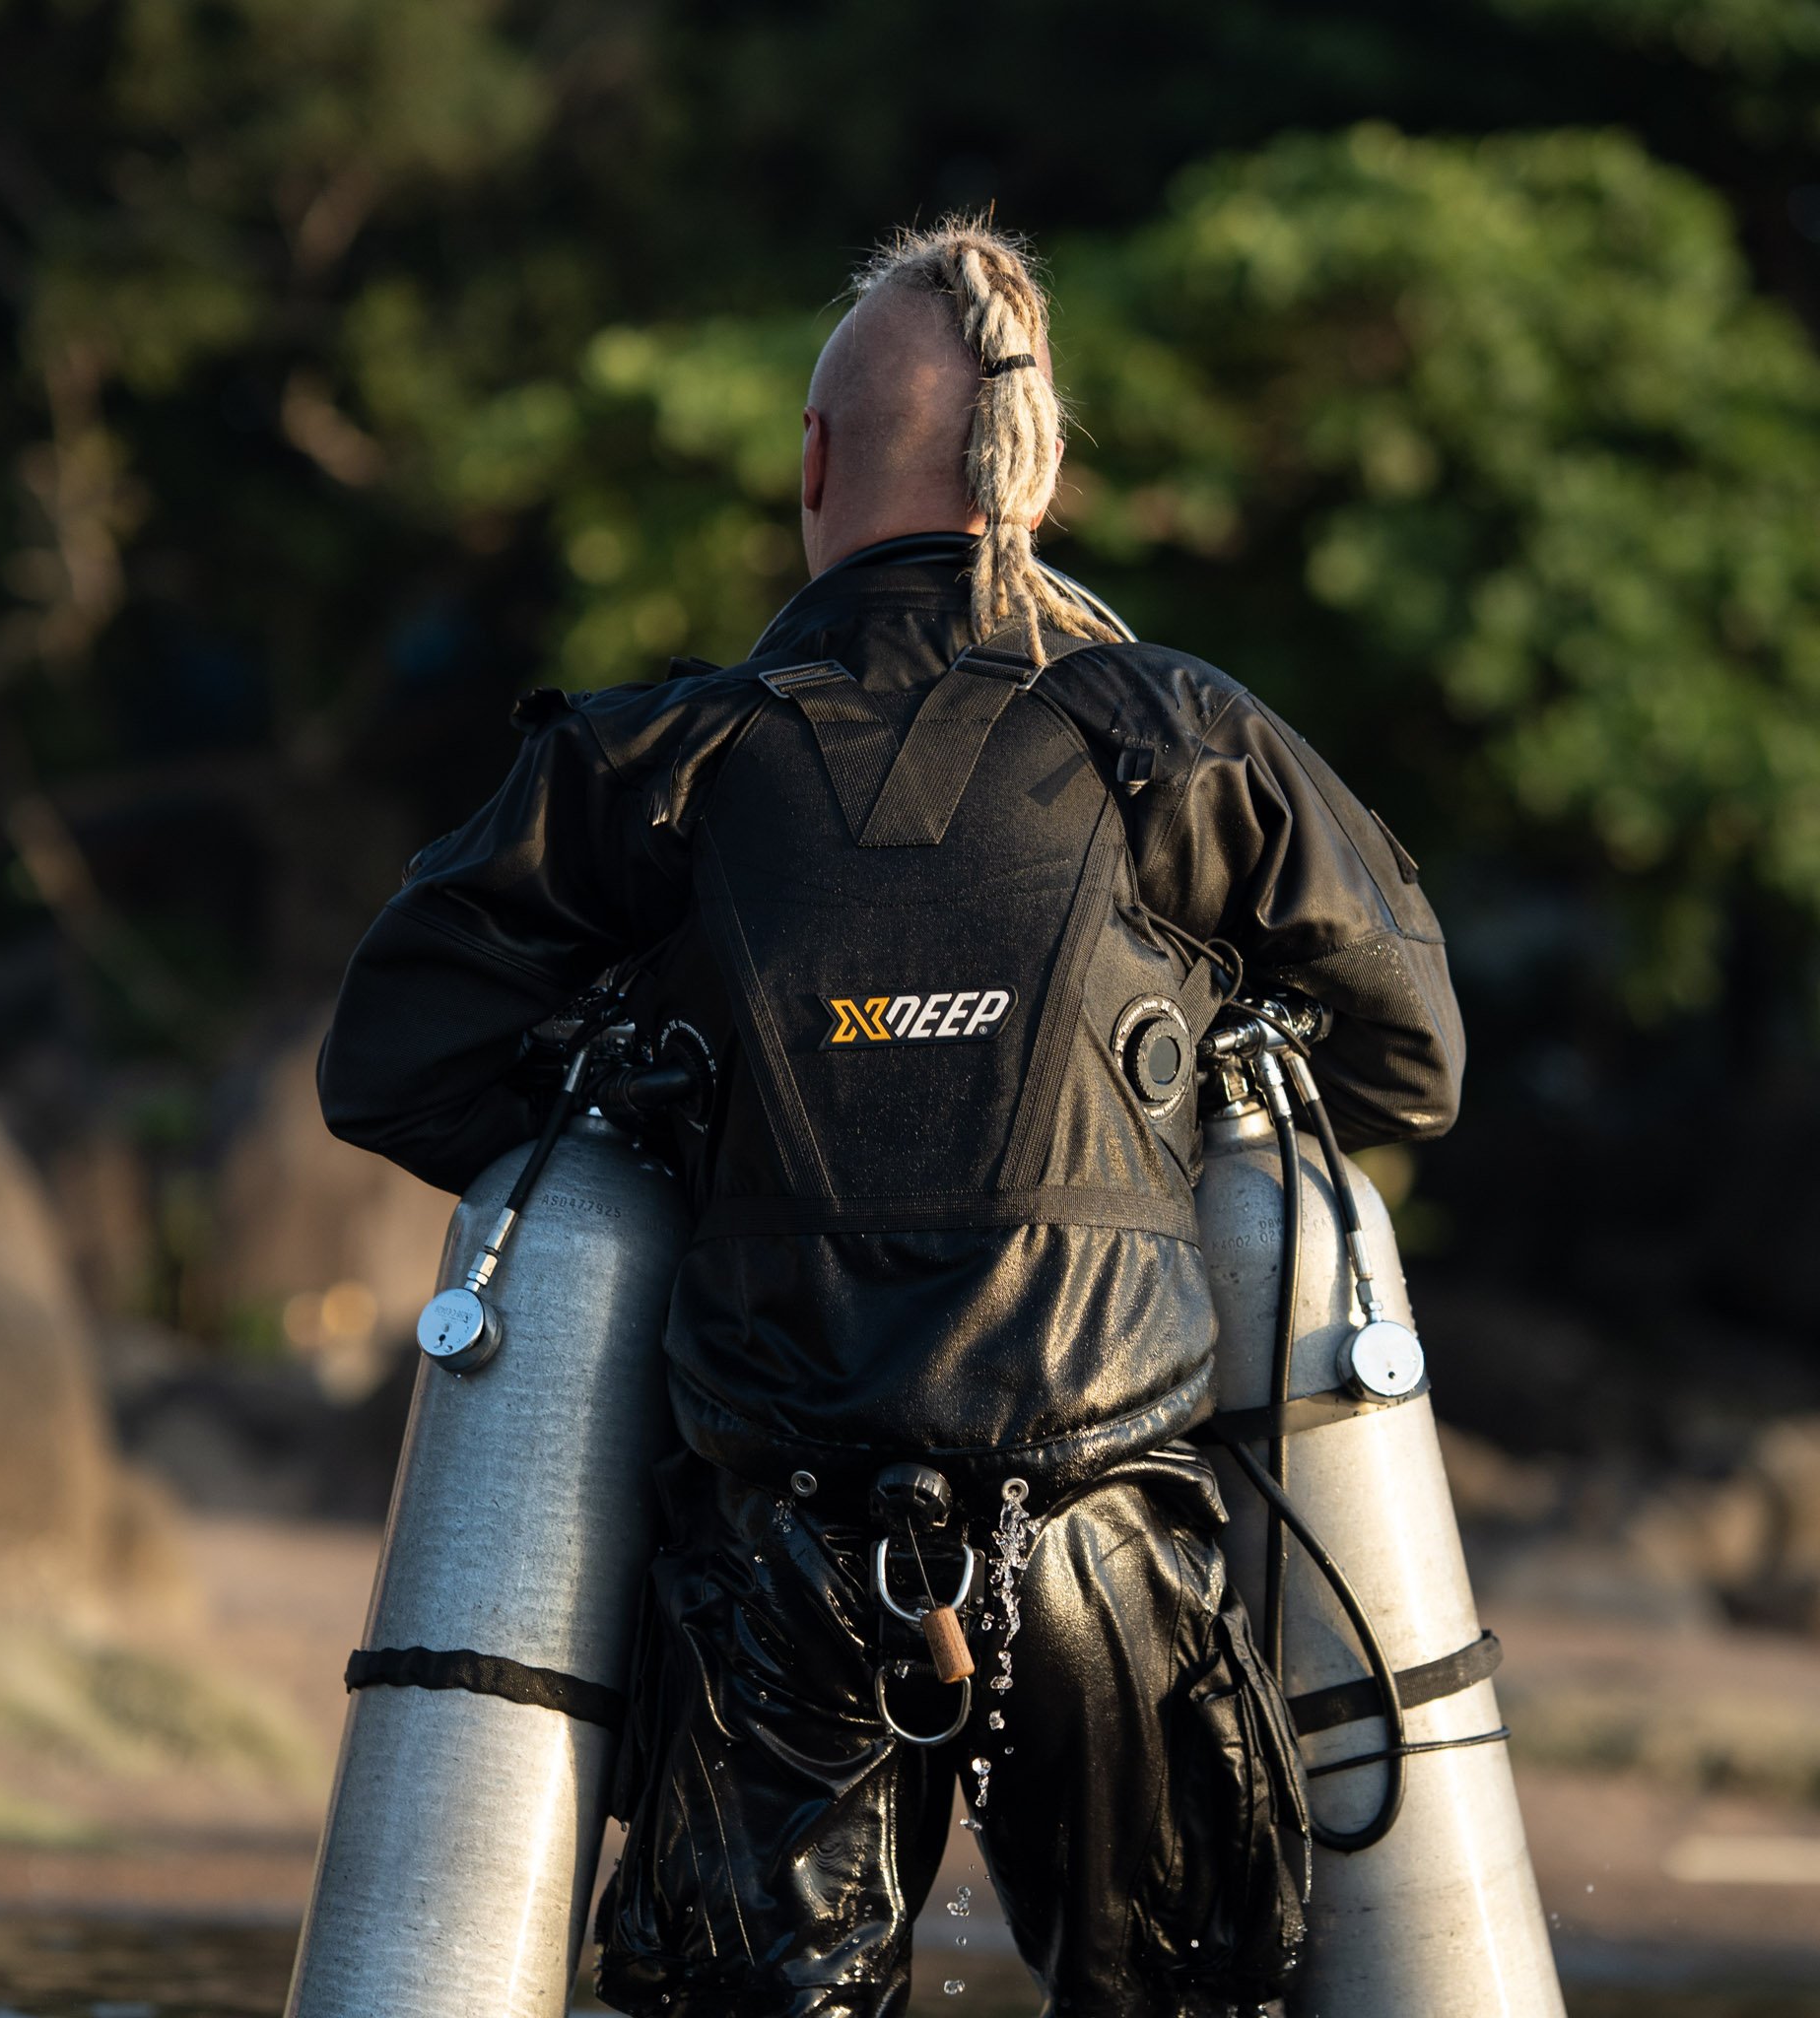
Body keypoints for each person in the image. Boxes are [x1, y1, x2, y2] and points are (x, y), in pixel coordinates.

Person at [318, 218, 1462, 2018]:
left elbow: (388, 1063)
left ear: (816, 462)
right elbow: (1416, 1064)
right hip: (1112, 1562)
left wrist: (656, 1119)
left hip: (773, 1572)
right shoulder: (1184, 742)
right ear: (1047, 465)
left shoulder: (661, 764)